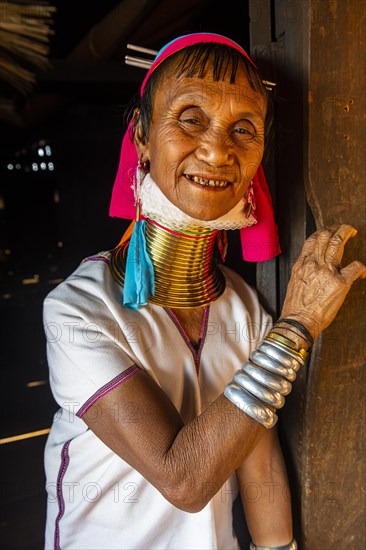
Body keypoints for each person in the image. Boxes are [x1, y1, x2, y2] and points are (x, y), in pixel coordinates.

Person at [43, 33, 366, 550]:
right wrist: (296, 328)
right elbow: (183, 480)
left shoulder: (243, 310)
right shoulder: (80, 310)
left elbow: (258, 466)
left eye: (244, 129)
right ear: (142, 135)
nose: (218, 149)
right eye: (191, 118)